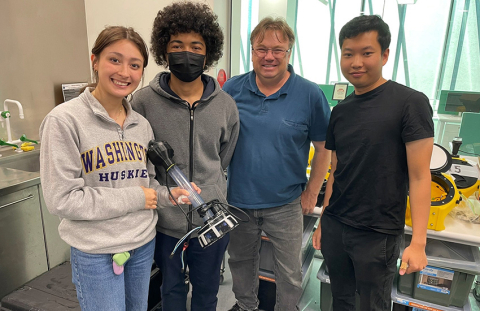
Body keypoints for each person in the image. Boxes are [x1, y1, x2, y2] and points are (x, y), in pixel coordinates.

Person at [40, 26, 196, 311]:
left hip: (141, 243)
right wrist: (140, 198)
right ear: (95, 60)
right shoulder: (64, 121)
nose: (124, 72)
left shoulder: (141, 125)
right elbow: (62, 199)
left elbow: (146, 184)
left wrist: (169, 195)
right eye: (115, 60)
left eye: (135, 65)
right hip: (96, 251)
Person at [312, 15, 434, 311]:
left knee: (372, 305)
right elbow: (336, 170)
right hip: (336, 226)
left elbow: (420, 177)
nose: (356, 62)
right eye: (348, 53)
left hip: (377, 233)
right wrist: (322, 222)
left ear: (384, 55)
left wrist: (418, 242)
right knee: (340, 299)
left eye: (366, 53)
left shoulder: (410, 103)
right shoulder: (340, 111)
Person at [130, 2, 239, 311]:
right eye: (177, 45)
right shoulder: (143, 102)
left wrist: (211, 186)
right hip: (165, 223)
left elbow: (224, 155)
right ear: (165, 50)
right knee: (172, 292)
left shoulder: (225, 105)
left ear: (208, 52)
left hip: (212, 221)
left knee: (207, 293)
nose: (186, 53)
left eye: (196, 46)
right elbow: (139, 161)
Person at [222, 17, 331, 311]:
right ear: (252, 51)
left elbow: (324, 150)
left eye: (277, 49)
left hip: (286, 203)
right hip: (238, 201)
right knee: (241, 263)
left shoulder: (310, 95)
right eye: (261, 48)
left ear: (289, 52)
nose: (269, 56)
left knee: (290, 272)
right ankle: (246, 306)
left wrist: (311, 192)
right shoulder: (231, 90)